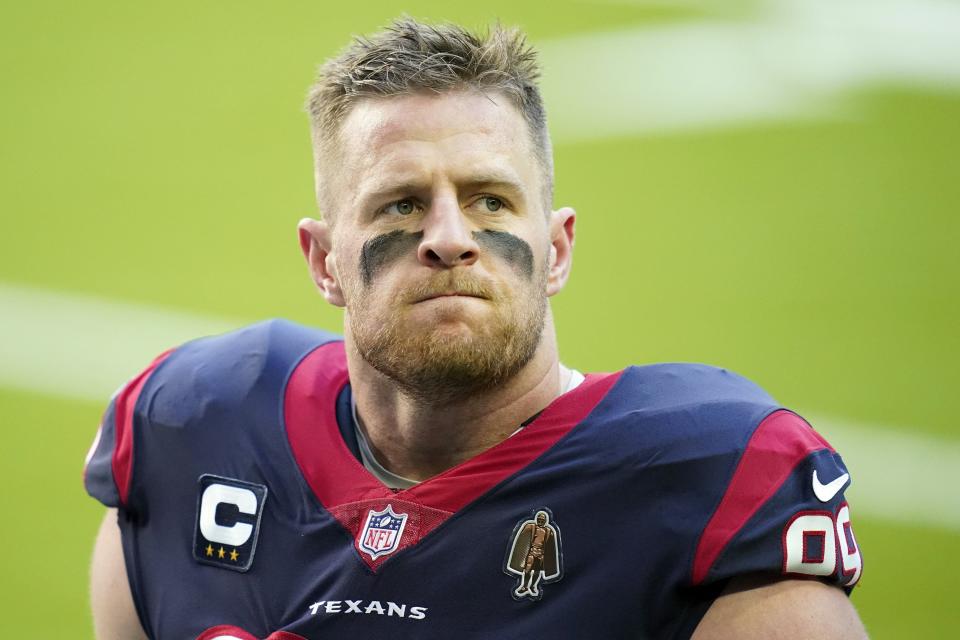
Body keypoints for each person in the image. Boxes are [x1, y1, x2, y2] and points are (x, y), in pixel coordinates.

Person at [85, 18, 868, 640]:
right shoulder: (197, 430)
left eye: (491, 200)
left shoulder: (701, 480)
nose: (451, 237)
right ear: (324, 261)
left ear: (556, 249)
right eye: (400, 204)